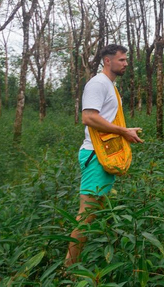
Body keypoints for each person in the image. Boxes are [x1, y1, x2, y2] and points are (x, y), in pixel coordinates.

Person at [65, 44, 143, 267]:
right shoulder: (98, 83)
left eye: (126, 59)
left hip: (103, 155)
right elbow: (88, 117)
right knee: (85, 216)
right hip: (94, 156)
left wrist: (124, 135)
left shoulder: (110, 85)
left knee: (94, 214)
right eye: (121, 60)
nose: (126, 63)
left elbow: (104, 119)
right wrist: (122, 131)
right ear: (107, 61)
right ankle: (68, 269)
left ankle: (82, 262)